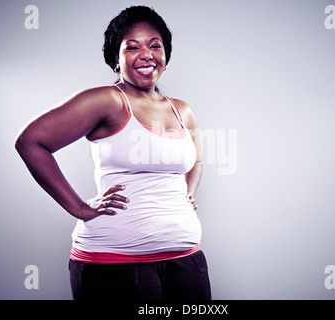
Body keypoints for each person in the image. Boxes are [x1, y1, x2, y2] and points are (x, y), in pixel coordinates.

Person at [15, 5, 211, 300]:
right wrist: (79, 208)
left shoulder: (181, 109)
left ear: (165, 58)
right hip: (114, 267)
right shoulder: (108, 101)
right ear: (116, 61)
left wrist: (189, 192)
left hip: (185, 263)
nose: (146, 54)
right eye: (132, 47)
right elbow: (31, 141)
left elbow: (195, 159)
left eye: (154, 46)